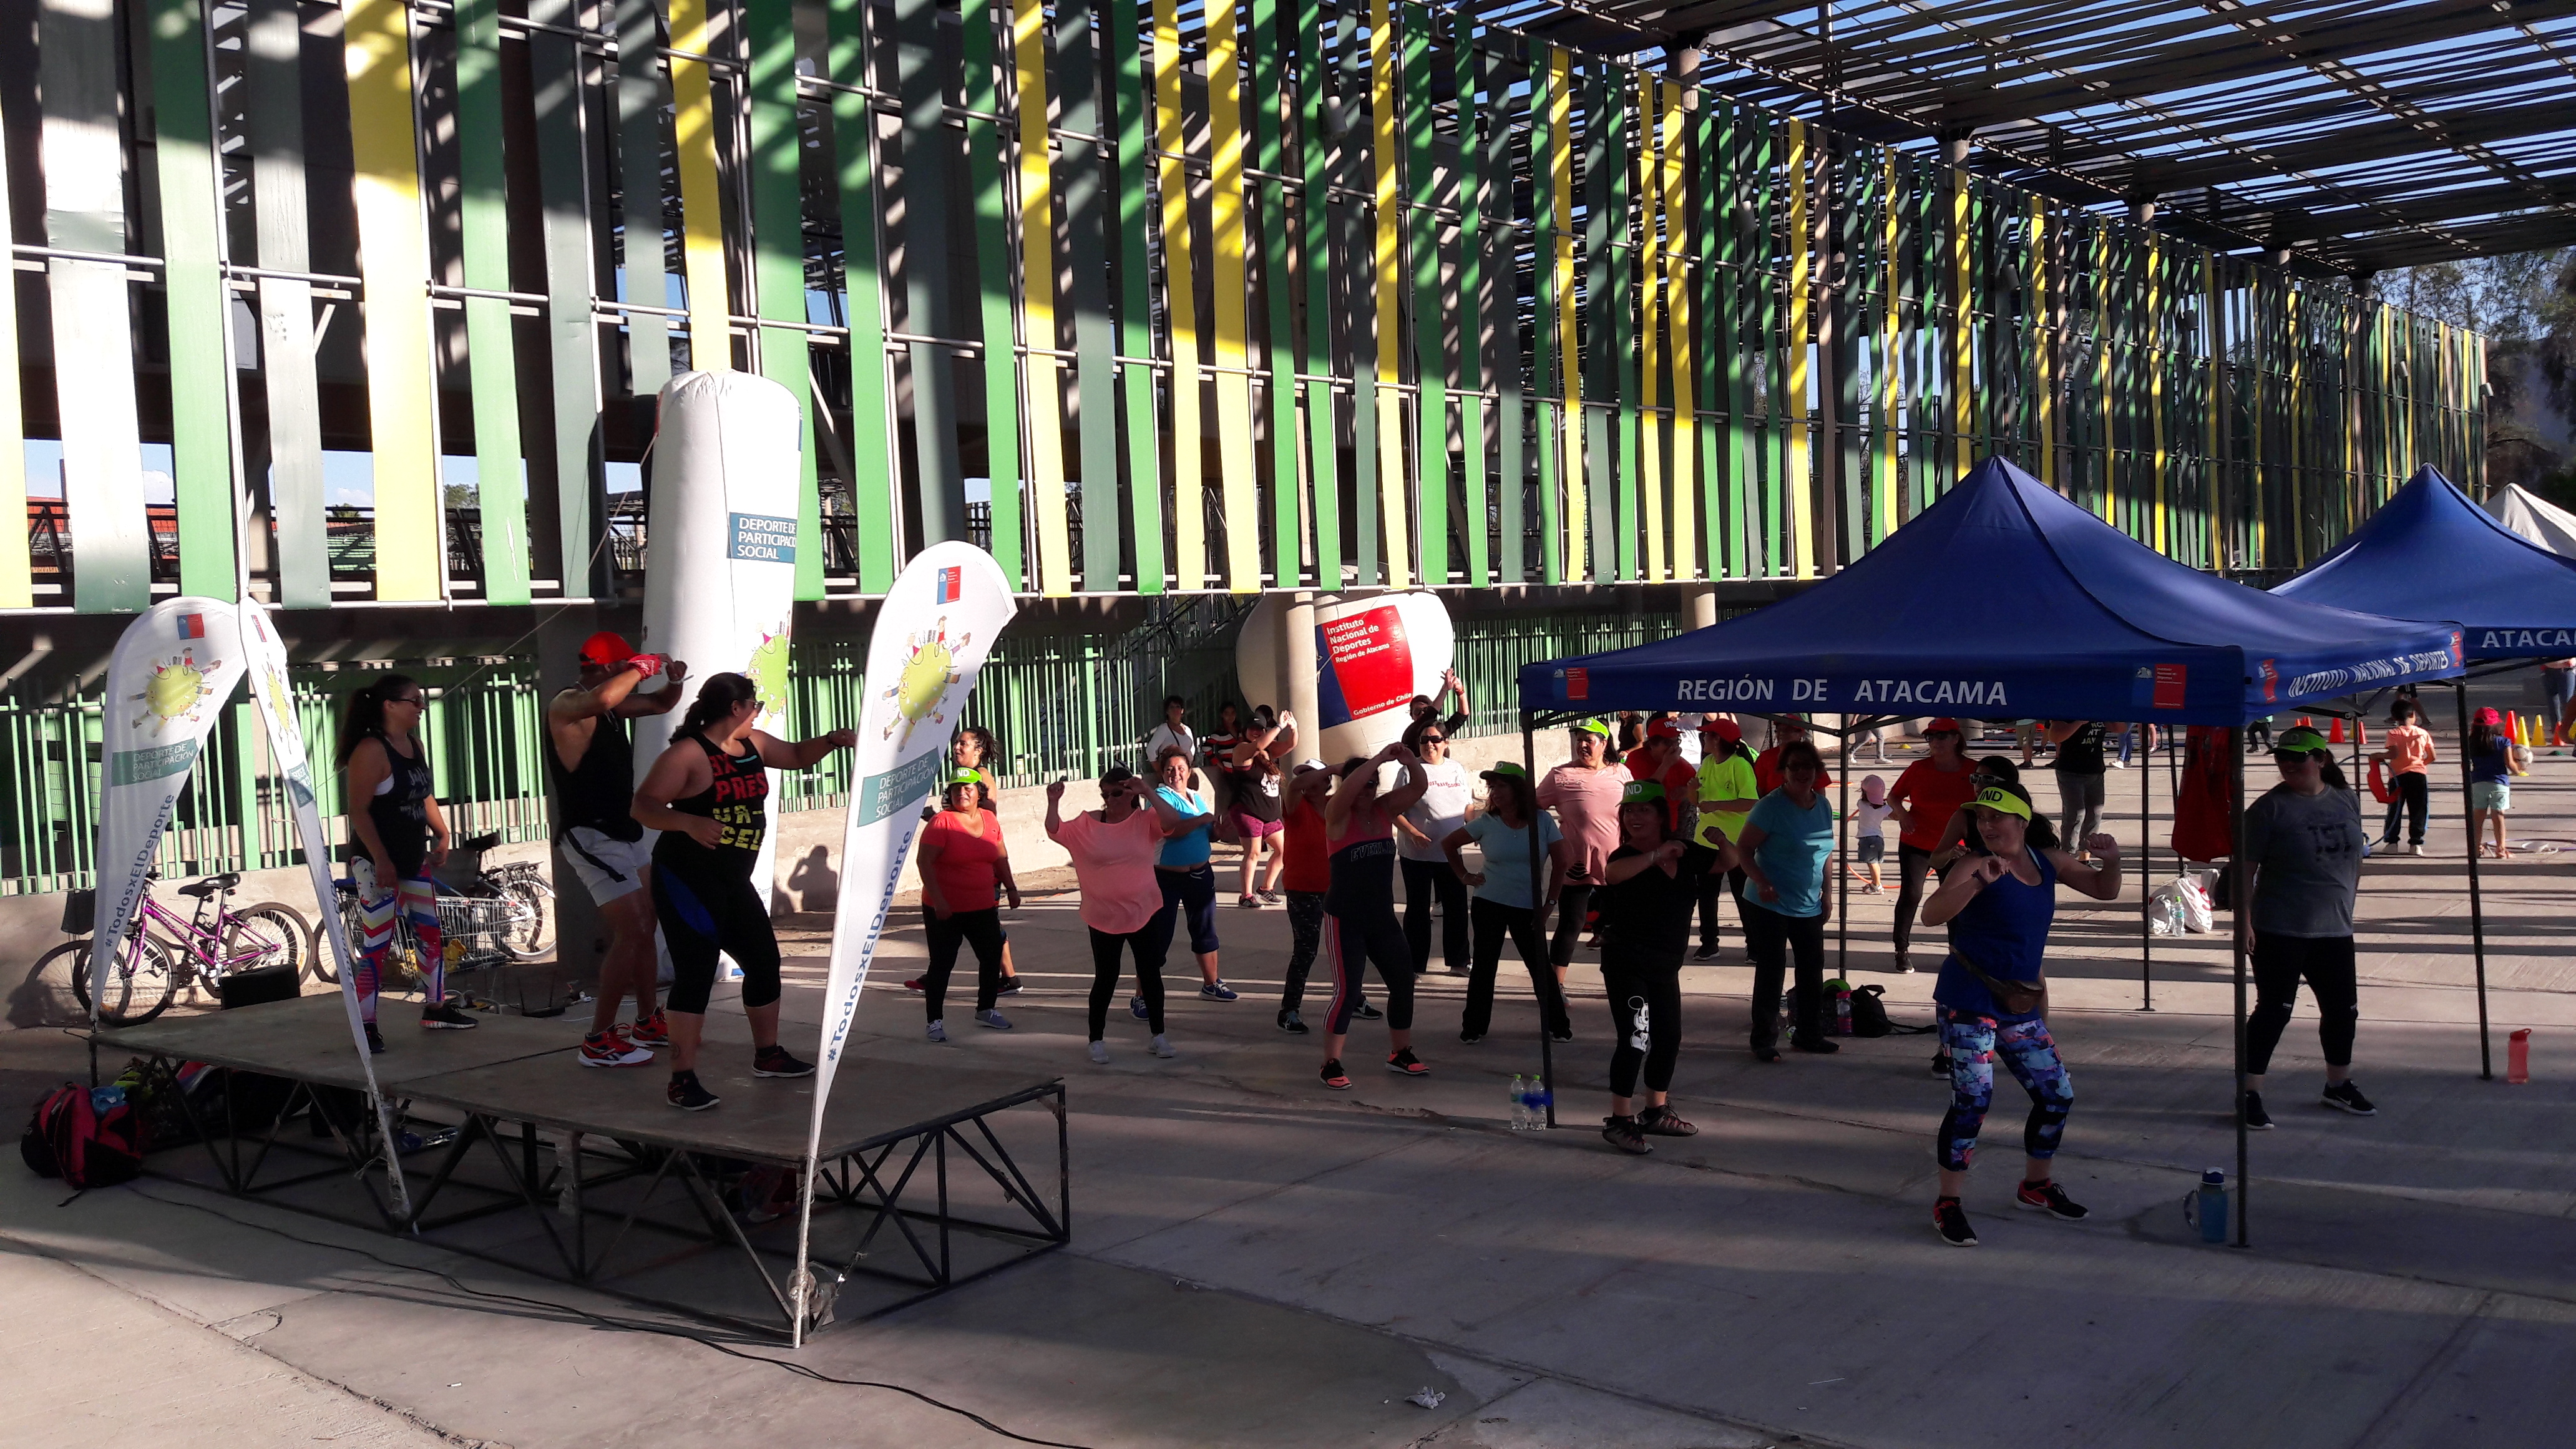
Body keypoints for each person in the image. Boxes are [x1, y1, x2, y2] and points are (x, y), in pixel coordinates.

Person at [632, 673, 854, 1111]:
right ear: (735, 708)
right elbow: (643, 806)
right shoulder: (689, 753)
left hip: (733, 879)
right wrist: (687, 822)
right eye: (755, 705)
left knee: (764, 961)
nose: (758, 713)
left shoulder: (754, 743)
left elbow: (795, 756)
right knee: (696, 972)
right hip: (687, 879)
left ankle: (767, 1054)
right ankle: (682, 1078)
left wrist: (832, 741)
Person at [1919, 782, 2124, 1246]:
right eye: (1981, 818)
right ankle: (1948, 1202)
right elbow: (1931, 915)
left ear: (2022, 821)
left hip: (2017, 1005)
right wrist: (1978, 883)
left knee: (2056, 1095)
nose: (1987, 826)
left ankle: (2036, 1185)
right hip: (1969, 1001)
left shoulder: (2047, 862)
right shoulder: (1973, 864)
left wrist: (2112, 862)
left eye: (1997, 817)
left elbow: (2104, 890)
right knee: (1972, 1102)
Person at [548, 632, 689, 1068]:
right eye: (625, 666)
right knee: (632, 930)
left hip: (622, 830)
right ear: (610, 667)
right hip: (590, 835)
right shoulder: (568, 703)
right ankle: (598, 1039)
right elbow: (605, 697)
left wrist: (674, 680)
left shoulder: (608, 707)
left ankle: (647, 1019)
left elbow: (660, 704)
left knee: (648, 924)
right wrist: (640, 668)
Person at [2237, 726, 2374, 1129]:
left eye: (2299, 758)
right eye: (2283, 758)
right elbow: (2244, 870)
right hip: (2280, 927)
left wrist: (2349, 901)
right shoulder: (2268, 810)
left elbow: (2355, 857)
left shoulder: (2346, 799)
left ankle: (2338, 1084)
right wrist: (2244, 921)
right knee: (2274, 1010)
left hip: (2334, 927)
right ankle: (2249, 1091)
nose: (2289, 765)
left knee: (2342, 1011)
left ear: (2321, 760)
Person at [340, 675, 465, 1052]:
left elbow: (423, 794)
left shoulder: (414, 744)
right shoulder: (370, 750)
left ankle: (436, 1007)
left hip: (413, 857)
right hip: (376, 862)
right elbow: (358, 811)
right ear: (390, 705)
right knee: (377, 943)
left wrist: (442, 834)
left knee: (430, 933)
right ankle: (365, 1024)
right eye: (414, 701)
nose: (421, 707)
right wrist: (381, 859)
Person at [1594, 783, 1714, 1153]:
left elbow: (1728, 862)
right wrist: (1658, 854)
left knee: (1669, 1037)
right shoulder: (1625, 856)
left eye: (1644, 810)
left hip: (1665, 964)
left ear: (1662, 815)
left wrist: (1721, 840)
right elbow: (1613, 875)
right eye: (1629, 811)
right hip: (1626, 961)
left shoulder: (1685, 852)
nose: (1635, 817)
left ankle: (1655, 1111)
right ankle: (1619, 1121)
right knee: (1635, 1037)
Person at [1047, 766, 1191, 1063]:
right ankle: (1096, 1040)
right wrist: (1053, 802)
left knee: (1150, 974)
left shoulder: (1145, 820)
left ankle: (1158, 1035)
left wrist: (1148, 791)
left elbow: (1174, 820)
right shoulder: (1089, 823)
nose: (1110, 800)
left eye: (1116, 793)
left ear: (1130, 793)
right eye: (1105, 794)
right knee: (1106, 977)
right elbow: (1055, 830)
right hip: (1103, 915)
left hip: (1143, 910)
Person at [1319, 743, 1433, 1089]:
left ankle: (1400, 1053)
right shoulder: (1337, 813)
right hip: (1345, 918)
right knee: (1348, 991)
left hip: (1381, 918)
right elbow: (1350, 790)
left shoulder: (1384, 810)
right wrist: (1377, 760)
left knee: (1403, 982)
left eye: (1373, 783)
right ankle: (1331, 1063)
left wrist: (1410, 760)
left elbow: (1419, 787)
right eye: (1361, 782)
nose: (1367, 789)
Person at [1444, 761, 1571, 1043]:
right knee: (1484, 966)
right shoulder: (1486, 822)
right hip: (1488, 902)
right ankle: (1474, 1026)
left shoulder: (1542, 821)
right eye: (1492, 787)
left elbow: (1562, 861)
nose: (1495, 792)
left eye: (1502, 786)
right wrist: (1464, 876)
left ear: (1518, 789)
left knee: (1539, 966)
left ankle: (1558, 1025)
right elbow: (1448, 844)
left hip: (1527, 906)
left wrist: (1550, 903)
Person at [1735, 739, 1838, 1061]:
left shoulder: (1822, 805)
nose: (1802, 773)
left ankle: (1809, 1034)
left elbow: (1826, 853)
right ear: (1784, 771)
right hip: (1769, 902)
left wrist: (1828, 894)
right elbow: (1744, 850)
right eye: (1795, 767)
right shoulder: (1770, 807)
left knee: (1812, 969)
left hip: (1808, 903)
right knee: (1772, 969)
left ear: (1817, 771)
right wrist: (1761, 881)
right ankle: (1763, 1040)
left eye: (1808, 767)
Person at [903, 726, 1023, 997]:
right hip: (963, 865)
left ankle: (1006, 979)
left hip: (980, 866)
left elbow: (984, 818)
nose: (956, 747)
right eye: (956, 743)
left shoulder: (981, 777)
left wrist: (1010, 885)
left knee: (987, 926)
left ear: (978, 750)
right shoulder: (963, 776)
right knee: (978, 928)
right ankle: (1003, 977)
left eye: (963, 743)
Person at [917, 769, 1024, 1038]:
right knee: (942, 963)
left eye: (968, 788)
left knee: (991, 956)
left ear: (979, 793)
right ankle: (934, 1021)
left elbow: (1000, 857)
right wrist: (939, 901)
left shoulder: (989, 819)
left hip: (982, 905)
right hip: (945, 909)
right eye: (956, 789)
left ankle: (986, 1009)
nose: (962, 793)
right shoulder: (942, 822)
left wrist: (1011, 888)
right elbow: (924, 863)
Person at [1277, 759, 1378, 1034]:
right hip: (1302, 889)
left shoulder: (1336, 806)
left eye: (1315, 776)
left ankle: (1353, 999)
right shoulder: (1296, 807)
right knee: (1306, 949)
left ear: (1326, 784)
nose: (1309, 781)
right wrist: (1332, 769)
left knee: (1349, 947)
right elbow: (1294, 786)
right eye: (1307, 777)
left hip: (1338, 887)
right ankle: (1289, 1010)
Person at [1139, 744, 1236, 1005]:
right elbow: (1170, 829)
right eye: (1170, 769)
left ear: (1189, 771)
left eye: (1181, 768)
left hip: (1200, 875)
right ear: (1162, 773)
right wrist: (1202, 819)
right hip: (1166, 879)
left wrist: (1218, 831)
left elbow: (1207, 834)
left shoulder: (1196, 797)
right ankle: (1142, 996)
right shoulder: (1159, 798)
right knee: (1159, 936)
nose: (1176, 774)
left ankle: (1212, 984)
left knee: (1205, 930)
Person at [1885, 718, 1980, 973]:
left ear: (1956, 739)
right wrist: (1903, 815)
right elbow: (1894, 796)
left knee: (1953, 898)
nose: (1935, 742)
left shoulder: (1973, 770)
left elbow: (1984, 805)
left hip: (1955, 846)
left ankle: (1957, 951)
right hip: (1917, 841)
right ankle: (1901, 950)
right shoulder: (1919, 768)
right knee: (1912, 893)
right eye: (1931, 737)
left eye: (1941, 736)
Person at [1537, 719, 1628, 978]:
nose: (1582, 745)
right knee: (1571, 923)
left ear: (1604, 744)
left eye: (1589, 740)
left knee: (1618, 925)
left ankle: (1620, 982)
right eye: (1579, 740)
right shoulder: (1560, 775)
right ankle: (1556, 985)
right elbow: (1533, 809)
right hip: (1577, 864)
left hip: (1615, 864)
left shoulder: (1621, 773)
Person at [1396, 718, 1475, 977]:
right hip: (1416, 855)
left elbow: (1468, 805)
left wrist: (1473, 829)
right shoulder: (1409, 771)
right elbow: (1393, 810)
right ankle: (1414, 966)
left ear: (1446, 743)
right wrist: (1413, 833)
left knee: (1457, 908)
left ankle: (1459, 961)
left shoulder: (1456, 769)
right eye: (1424, 740)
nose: (1429, 745)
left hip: (1450, 854)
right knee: (1418, 911)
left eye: (1435, 739)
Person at [1689, 718, 1759, 961]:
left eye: (1707, 734)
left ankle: (1754, 945)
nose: (1703, 738)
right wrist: (1691, 791)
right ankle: (1709, 943)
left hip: (1737, 841)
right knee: (1706, 895)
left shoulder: (1740, 765)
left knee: (1743, 895)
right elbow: (1698, 801)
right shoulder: (1708, 762)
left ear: (1718, 739)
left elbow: (1751, 802)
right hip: (1706, 840)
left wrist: (1717, 805)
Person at [1224, 706, 1290, 907]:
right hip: (1246, 809)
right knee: (1253, 852)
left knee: (1283, 850)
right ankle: (1246, 896)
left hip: (1268, 811)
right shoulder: (1242, 749)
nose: (1256, 732)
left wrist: (1293, 728)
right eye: (1252, 728)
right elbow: (1258, 745)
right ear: (1245, 731)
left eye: (1260, 729)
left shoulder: (1268, 751)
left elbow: (1291, 745)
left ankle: (1266, 889)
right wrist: (1279, 726)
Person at [2371, 698, 2436, 854]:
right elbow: (2432, 756)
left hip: (2398, 776)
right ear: (2413, 715)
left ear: (2394, 718)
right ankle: (2416, 843)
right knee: (2419, 809)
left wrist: (2378, 755)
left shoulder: (2393, 733)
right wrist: (2420, 764)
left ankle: (2392, 843)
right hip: (2418, 776)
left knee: (2395, 809)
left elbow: (2393, 754)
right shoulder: (2423, 733)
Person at [2466, 706, 2527, 857]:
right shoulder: (2504, 742)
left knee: (2478, 818)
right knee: (2498, 816)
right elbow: (2509, 763)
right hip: (2499, 783)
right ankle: (2501, 849)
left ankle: (2476, 848)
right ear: (2496, 725)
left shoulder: (2471, 742)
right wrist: (2519, 770)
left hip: (2478, 783)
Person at [1624, 719, 1699, 838]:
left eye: (1677, 741)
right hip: (1641, 826)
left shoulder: (1680, 764)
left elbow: (1700, 787)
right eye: (1668, 743)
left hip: (1669, 827)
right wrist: (1666, 765)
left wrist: (1687, 791)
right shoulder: (1636, 758)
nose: (1674, 747)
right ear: (1652, 744)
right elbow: (1644, 791)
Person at [1753, 716, 1835, 796]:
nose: (1782, 733)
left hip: (1803, 803)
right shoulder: (1765, 757)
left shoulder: (1809, 755)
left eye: (1788, 730)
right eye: (1780, 730)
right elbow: (1759, 789)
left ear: (1801, 733)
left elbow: (1820, 790)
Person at [1851, 775, 1892, 894]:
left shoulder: (1861, 804)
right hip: (1878, 839)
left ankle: (1877, 885)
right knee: (1875, 862)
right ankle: (1876, 884)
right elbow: (1895, 816)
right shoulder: (1885, 809)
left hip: (1868, 839)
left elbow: (1865, 800)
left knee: (1873, 862)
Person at [1410, 668, 1470, 735]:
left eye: (1426, 710)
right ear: (1412, 715)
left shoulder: (1440, 730)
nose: (1422, 713)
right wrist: (1445, 689)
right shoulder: (1410, 733)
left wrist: (1460, 691)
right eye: (1417, 711)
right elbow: (1429, 716)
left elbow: (1462, 716)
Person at [1145, 696, 1196, 767]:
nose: (1175, 710)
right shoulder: (1163, 729)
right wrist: (1159, 770)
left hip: (1185, 769)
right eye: (1172, 707)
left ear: (1182, 711)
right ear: (1167, 711)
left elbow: (1192, 749)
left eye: (1178, 707)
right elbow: (1150, 750)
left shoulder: (1187, 729)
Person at [2547, 657, 2576, 746]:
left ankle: (2564, 731)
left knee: (2567, 701)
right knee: (2554, 704)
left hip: (2566, 669)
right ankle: (2557, 730)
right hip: (2550, 668)